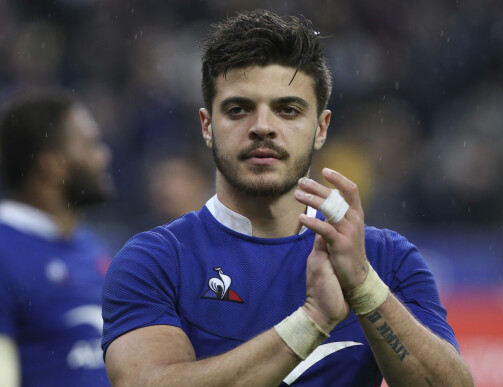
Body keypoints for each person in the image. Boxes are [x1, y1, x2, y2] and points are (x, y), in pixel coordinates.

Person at [102, 9, 473, 387]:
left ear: (320, 128)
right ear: (207, 126)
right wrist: (311, 321)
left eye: (288, 110)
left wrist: (363, 286)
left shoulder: (384, 259)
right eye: (238, 109)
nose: (262, 127)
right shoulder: (155, 261)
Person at [0, 89, 114, 387]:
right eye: (91, 144)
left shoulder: (96, 251)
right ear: (52, 164)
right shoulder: (4, 252)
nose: (104, 156)